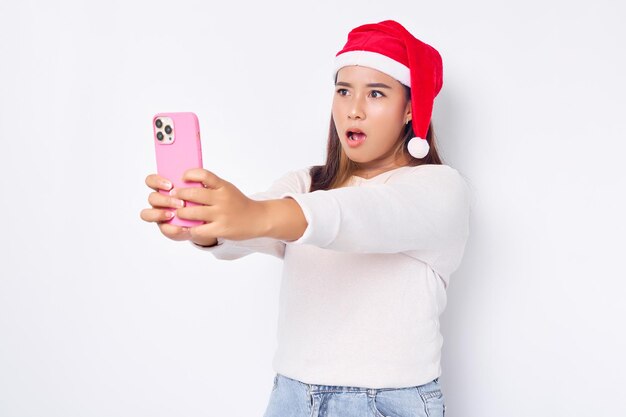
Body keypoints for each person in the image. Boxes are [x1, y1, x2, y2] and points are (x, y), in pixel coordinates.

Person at [141, 19, 470, 417]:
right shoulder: (308, 182)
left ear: (410, 110)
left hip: (385, 403)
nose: (354, 109)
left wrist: (254, 214)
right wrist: (206, 224)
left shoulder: (438, 188)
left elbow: (357, 217)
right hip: (292, 397)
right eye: (343, 90)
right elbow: (257, 227)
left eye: (376, 93)